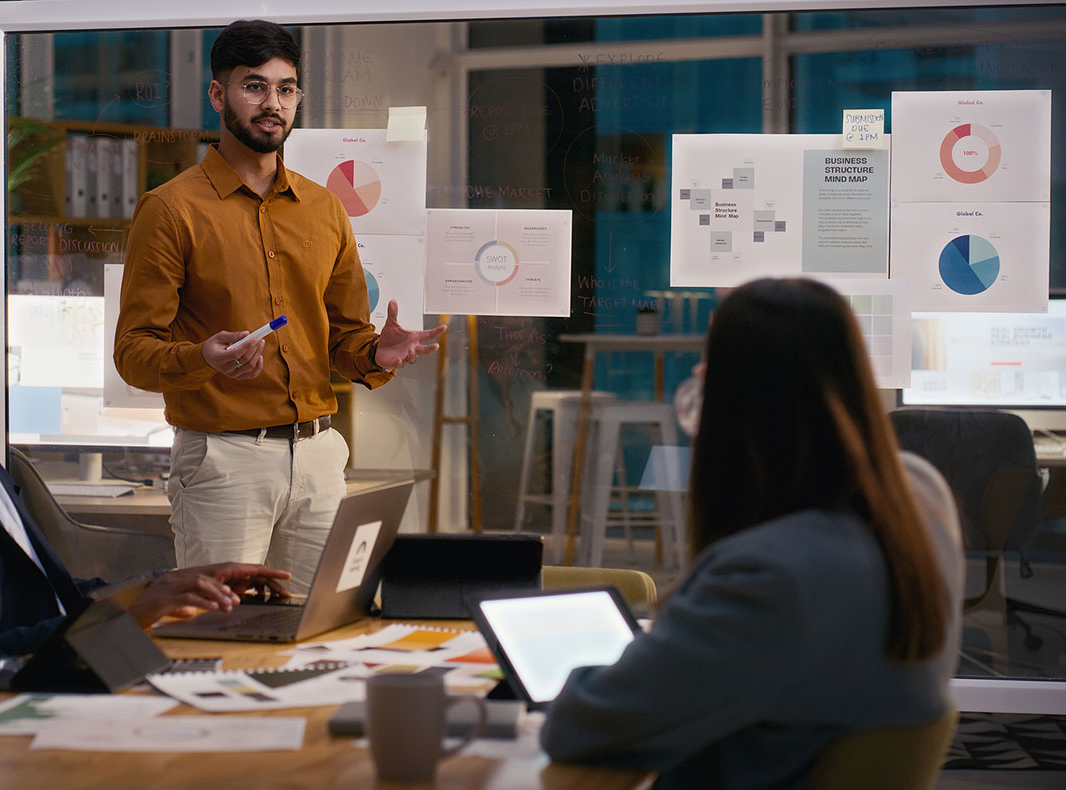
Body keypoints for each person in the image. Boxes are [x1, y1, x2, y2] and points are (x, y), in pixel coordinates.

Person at [540, 278, 965, 788]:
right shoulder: (917, 496)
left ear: (746, 391)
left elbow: (579, 725)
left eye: (710, 358)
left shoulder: (767, 578)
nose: (697, 374)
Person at [0, 245, 289, 679]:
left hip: (78, 670)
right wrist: (131, 612)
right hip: (18, 702)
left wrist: (170, 585)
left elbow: (54, 597)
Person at [113, 20, 445, 591]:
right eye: (255, 86)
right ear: (218, 95)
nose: (273, 104)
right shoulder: (170, 210)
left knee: (320, 626)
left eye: (286, 89)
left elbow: (342, 341)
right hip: (223, 462)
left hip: (318, 459)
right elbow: (133, 353)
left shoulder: (324, 209)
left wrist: (377, 354)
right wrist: (202, 359)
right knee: (220, 634)